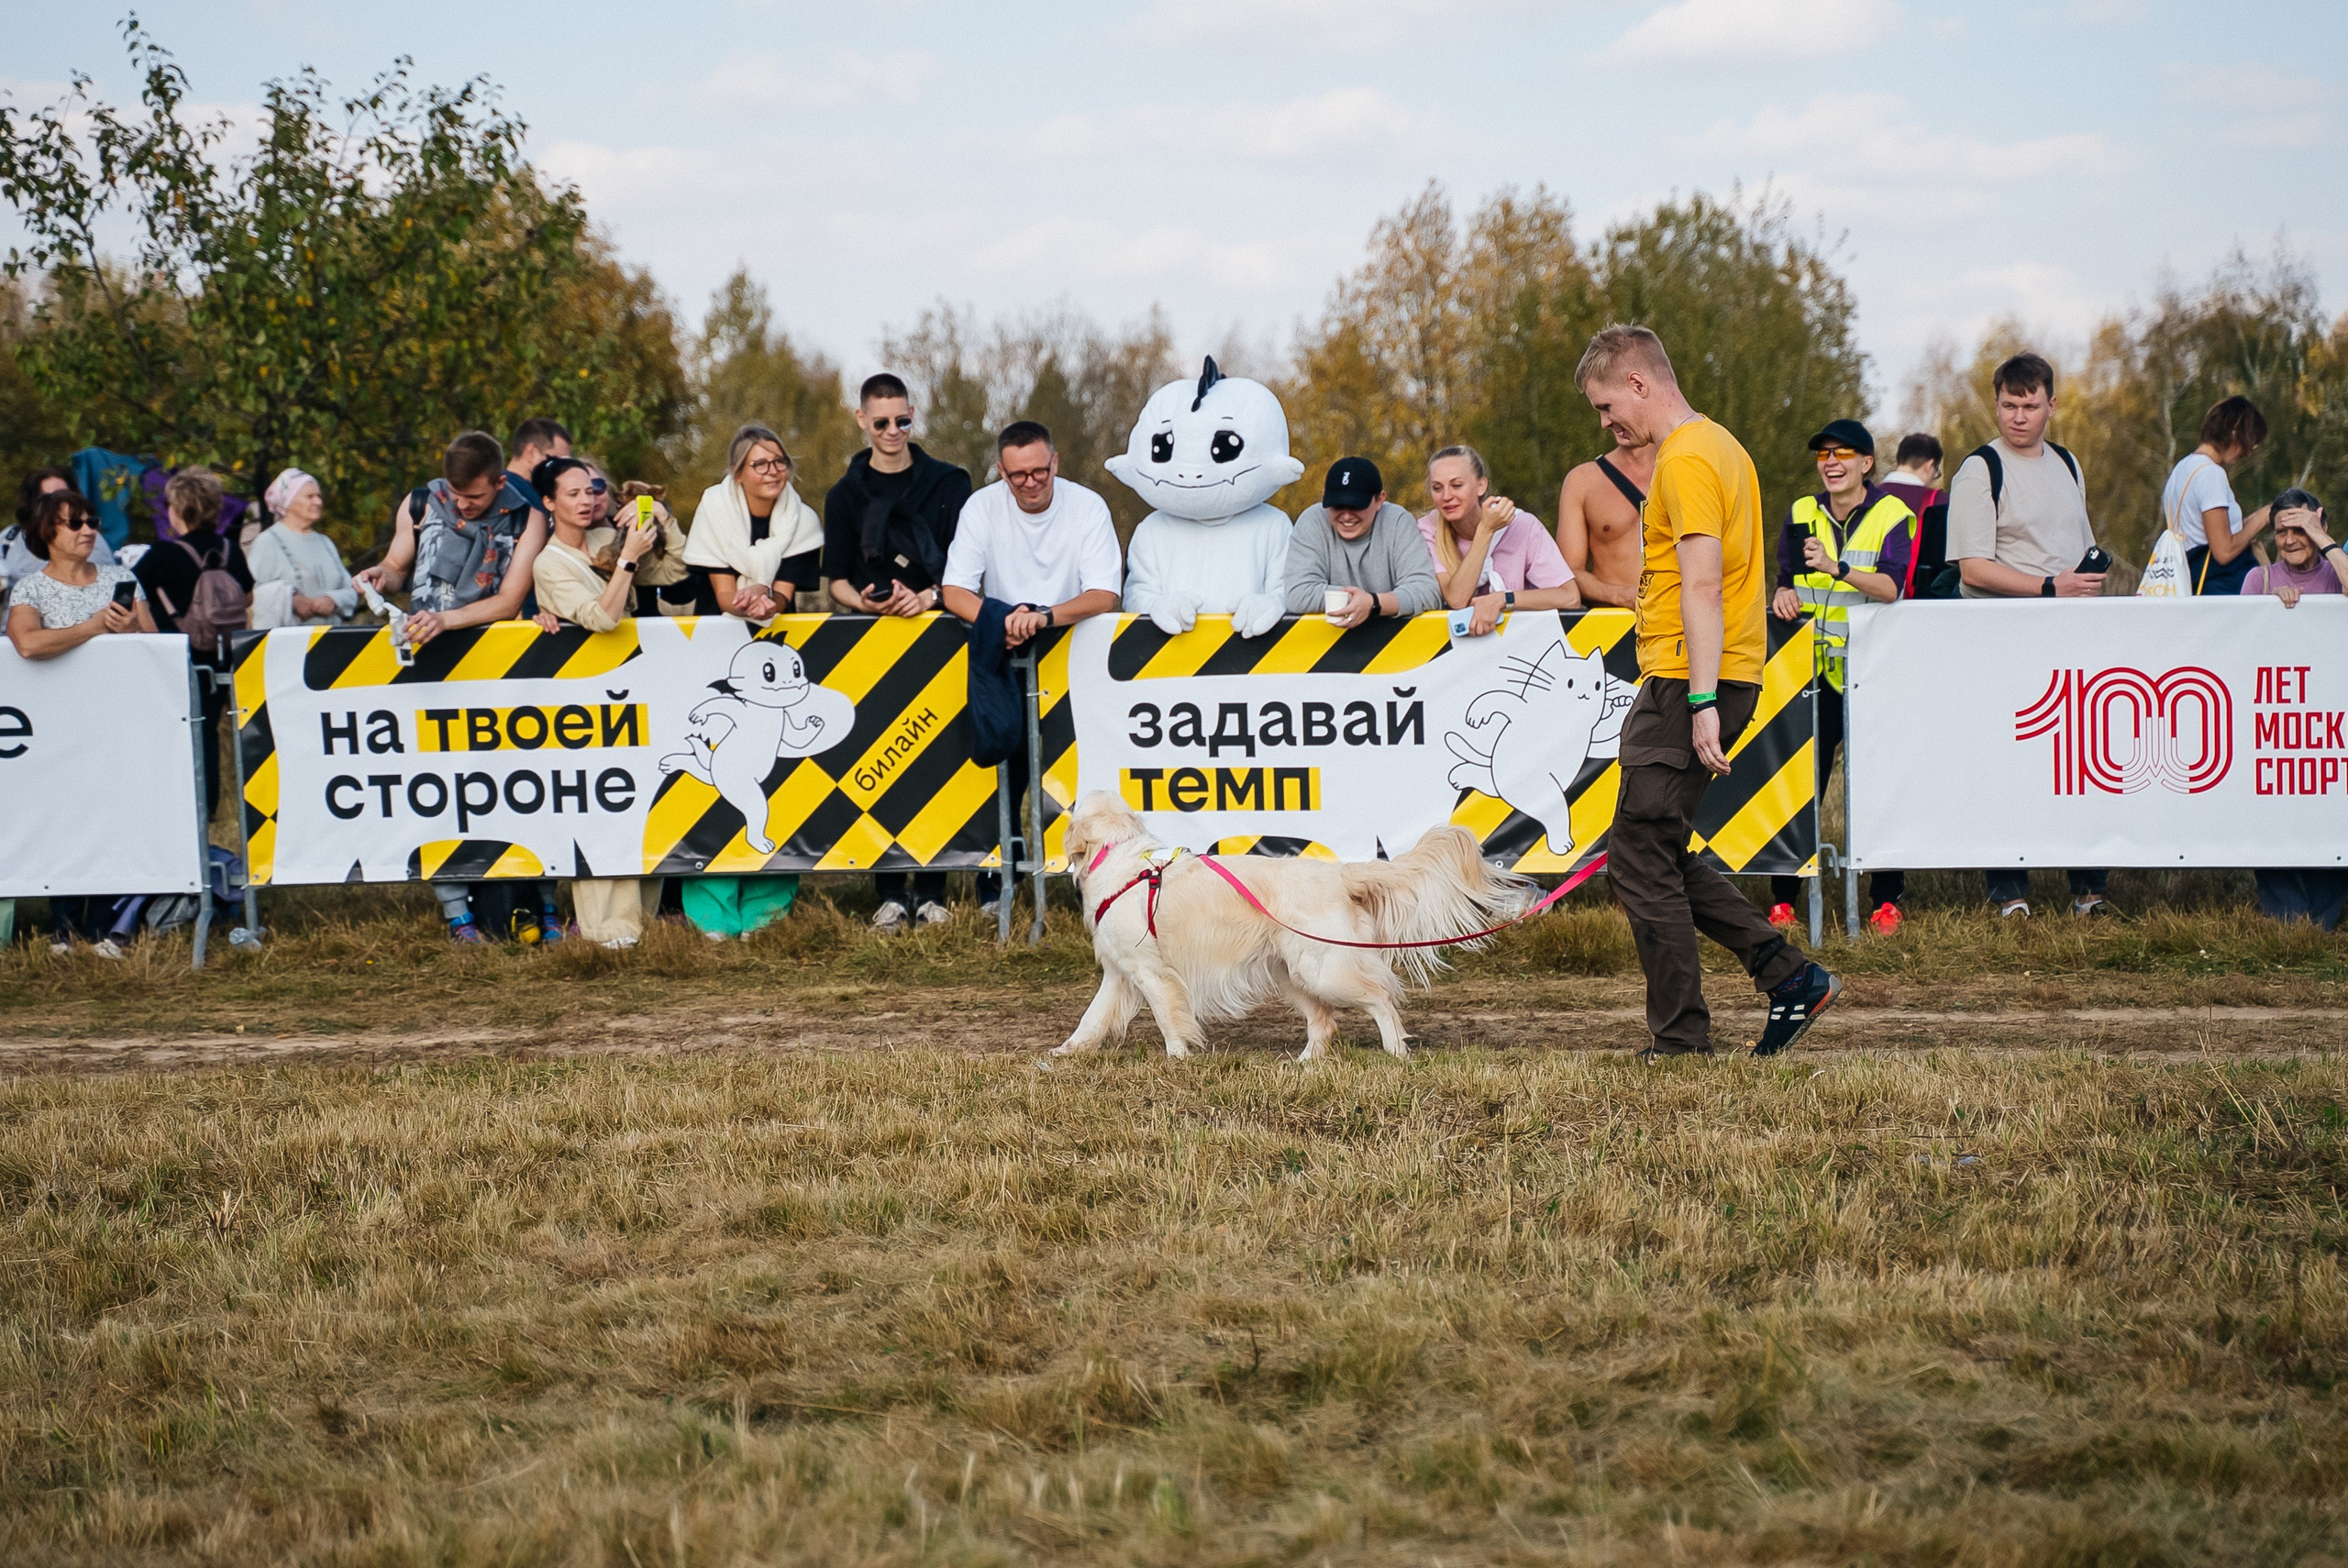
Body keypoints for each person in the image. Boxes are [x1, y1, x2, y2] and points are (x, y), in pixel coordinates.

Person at [1574, 324, 1839, 1062]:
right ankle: (1787, 976)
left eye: (1605, 406)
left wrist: (1697, 704)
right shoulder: (1720, 445)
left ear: (1637, 383)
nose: (1606, 426)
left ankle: (1685, 1037)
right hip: (1707, 673)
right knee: (1649, 852)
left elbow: (1701, 583)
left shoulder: (1686, 460)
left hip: (1690, 678)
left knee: (1637, 857)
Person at [355, 432, 551, 943]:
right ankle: (455, 912)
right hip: (426, 664)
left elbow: (510, 600)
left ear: (500, 483)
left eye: (476, 498)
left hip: (496, 666)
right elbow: (400, 566)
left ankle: (531, 902)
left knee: (509, 786)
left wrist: (449, 620)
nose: (463, 504)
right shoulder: (422, 502)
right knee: (437, 789)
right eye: (458, 496)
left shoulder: (528, 518)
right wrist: (380, 574)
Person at [1946, 352, 2111, 918]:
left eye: (2030, 405)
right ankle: (2008, 893)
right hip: (2003, 640)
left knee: (2079, 761)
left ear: (2052, 405)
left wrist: (2088, 583)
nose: (2018, 416)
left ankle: (2089, 891)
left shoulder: (2068, 462)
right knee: (2008, 765)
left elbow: (2077, 549)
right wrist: (2049, 588)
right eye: (2008, 405)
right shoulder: (1978, 469)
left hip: (2069, 639)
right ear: (1996, 404)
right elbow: (1972, 568)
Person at [939, 420, 1124, 914]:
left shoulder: (1087, 506)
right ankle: (996, 887)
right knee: (1002, 775)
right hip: (1002, 656)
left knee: (1074, 777)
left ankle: (1082, 885)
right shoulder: (981, 507)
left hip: (1074, 657)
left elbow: (1105, 593)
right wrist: (1004, 621)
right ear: (1001, 471)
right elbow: (954, 590)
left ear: (1055, 463)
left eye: (1040, 470)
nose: (1030, 482)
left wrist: (1041, 619)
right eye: (1018, 475)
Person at [825, 372, 974, 931]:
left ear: (914, 415)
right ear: (861, 420)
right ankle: (888, 890)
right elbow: (834, 578)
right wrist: (865, 603)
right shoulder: (844, 495)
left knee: (937, 761)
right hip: (871, 645)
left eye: (902, 420)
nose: (892, 431)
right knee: (874, 765)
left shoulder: (949, 483)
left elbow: (969, 564)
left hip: (939, 636)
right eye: (881, 421)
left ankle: (933, 889)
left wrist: (931, 597)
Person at [1765, 420, 1915, 933]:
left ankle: (1886, 902)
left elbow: (1893, 588)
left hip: (1874, 673)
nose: (1830, 463)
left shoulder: (1894, 513)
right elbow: (1787, 582)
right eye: (1823, 455)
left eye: (1842, 454)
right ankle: (1784, 901)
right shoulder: (1802, 513)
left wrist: (1836, 568)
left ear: (1866, 464)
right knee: (1802, 787)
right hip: (1814, 674)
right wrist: (1783, 595)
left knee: (1875, 789)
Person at [526, 456, 672, 947]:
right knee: (600, 809)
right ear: (548, 503)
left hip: (636, 691)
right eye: (572, 494)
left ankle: (643, 920)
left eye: (591, 490)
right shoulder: (546, 562)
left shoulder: (602, 538)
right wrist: (628, 557)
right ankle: (605, 929)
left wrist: (660, 524)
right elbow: (604, 618)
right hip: (587, 706)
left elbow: (672, 573)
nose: (587, 500)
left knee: (641, 806)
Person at [6, 488, 156, 958]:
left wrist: (131, 629)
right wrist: (92, 628)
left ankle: (107, 927)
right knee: (67, 820)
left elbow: (156, 644)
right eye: (75, 523)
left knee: (118, 818)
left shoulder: (121, 577)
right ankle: (64, 929)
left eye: (91, 521)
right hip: (59, 729)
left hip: (121, 723)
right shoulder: (30, 588)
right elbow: (27, 644)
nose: (89, 529)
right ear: (48, 532)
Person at [2241, 491, 2346, 932]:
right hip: (2278, 726)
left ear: (2318, 522)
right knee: (2276, 813)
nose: (2287, 539)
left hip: (2332, 728)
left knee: (2331, 815)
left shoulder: (2335, 572)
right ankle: (2286, 918)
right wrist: (2269, 613)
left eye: (2297, 527)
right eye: (2280, 530)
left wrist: (2322, 538)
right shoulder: (2257, 580)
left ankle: (2321, 919)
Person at [134, 466, 253, 823]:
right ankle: (209, 805)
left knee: (176, 730)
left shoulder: (163, 553)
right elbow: (246, 596)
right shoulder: (231, 549)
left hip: (175, 656)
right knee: (208, 730)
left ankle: (178, 807)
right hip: (219, 656)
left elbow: (127, 592)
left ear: (177, 509)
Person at [1420, 447, 1579, 634]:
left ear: (1481, 486)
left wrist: (1503, 599)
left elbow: (1570, 597)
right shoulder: (1429, 529)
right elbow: (1457, 599)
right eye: (1437, 488)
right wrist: (1485, 531)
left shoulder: (1523, 525)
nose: (1446, 496)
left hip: (1519, 643)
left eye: (1456, 485)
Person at [682, 425, 825, 624]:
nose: (773, 471)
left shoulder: (803, 522)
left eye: (779, 462)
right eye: (760, 464)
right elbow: (724, 595)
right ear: (737, 473)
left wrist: (766, 599)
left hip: (776, 638)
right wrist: (747, 603)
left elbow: (783, 596)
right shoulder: (714, 508)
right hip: (714, 634)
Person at [1286, 457, 1443, 625]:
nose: (1346, 516)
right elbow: (1298, 593)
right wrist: (1363, 602)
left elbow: (1427, 591)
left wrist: (1373, 603)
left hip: (1396, 645)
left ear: (1380, 500)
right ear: (1325, 497)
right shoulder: (1312, 521)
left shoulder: (1398, 521)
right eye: (1337, 505)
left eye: (1356, 505)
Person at [2162, 395, 2273, 597]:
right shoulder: (2211, 474)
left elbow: (2211, 532)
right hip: (2219, 586)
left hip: (2191, 580)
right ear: (2235, 430)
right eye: (2251, 442)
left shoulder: (2182, 469)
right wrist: (2265, 517)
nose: (2249, 452)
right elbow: (2224, 551)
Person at [1553, 429, 1652, 610]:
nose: (1607, 421)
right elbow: (1567, 574)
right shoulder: (1582, 480)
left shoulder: (1688, 469)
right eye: (1604, 409)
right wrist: (1624, 596)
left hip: (1680, 618)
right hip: (1613, 623)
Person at [248, 469, 357, 626]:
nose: (318, 502)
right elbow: (252, 596)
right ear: (288, 502)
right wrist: (290, 600)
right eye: (310, 497)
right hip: (287, 644)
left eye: (319, 496)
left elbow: (350, 591)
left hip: (331, 642)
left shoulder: (325, 542)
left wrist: (333, 600)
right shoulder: (268, 542)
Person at [3, 467, 107, 591]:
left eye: (64, 493)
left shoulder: (88, 537)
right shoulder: (10, 537)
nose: (59, 501)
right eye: (49, 498)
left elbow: (102, 588)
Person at [1876, 433, 1947, 596]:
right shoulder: (1939, 502)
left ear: (1900, 459)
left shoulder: (1867, 496)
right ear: (1930, 465)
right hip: (1915, 602)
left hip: (1869, 595)